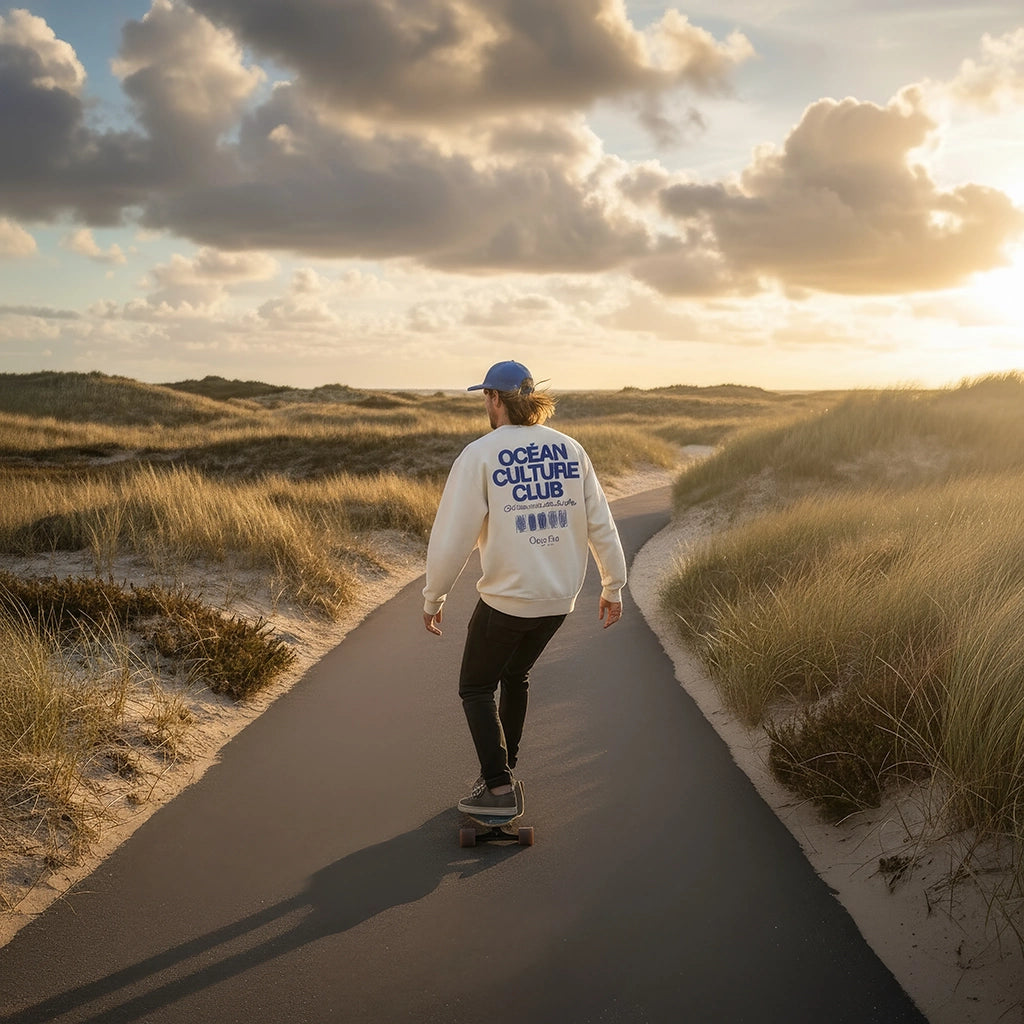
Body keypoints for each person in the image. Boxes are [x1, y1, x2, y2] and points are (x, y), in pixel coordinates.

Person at [422, 359, 627, 816]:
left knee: (476, 687)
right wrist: (613, 585)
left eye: (486, 396)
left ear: (495, 398)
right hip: (558, 603)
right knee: (515, 676)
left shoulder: (480, 454)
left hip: (506, 601)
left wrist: (433, 596)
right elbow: (601, 523)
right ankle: (505, 771)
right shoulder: (571, 449)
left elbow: (453, 536)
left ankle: (497, 789)